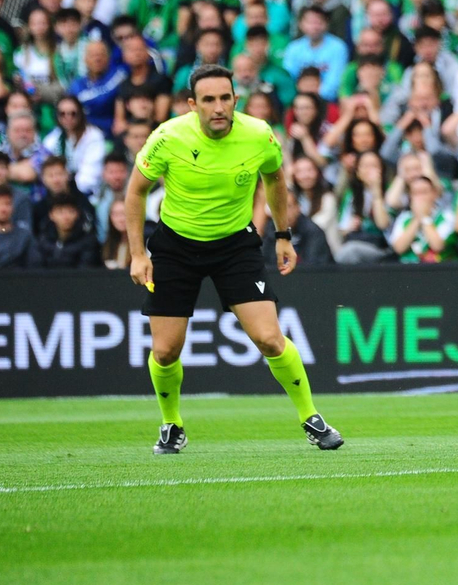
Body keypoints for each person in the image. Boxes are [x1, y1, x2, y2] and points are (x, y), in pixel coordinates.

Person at [126, 64, 342, 455]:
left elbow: (275, 179)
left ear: (235, 99)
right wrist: (138, 254)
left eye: (225, 98)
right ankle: (171, 424)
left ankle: (311, 417)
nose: (218, 107)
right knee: (165, 351)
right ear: (193, 104)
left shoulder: (258, 134)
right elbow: (136, 191)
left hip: (234, 246)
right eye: (208, 100)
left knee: (270, 339)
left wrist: (281, 236)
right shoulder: (168, 136)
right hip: (175, 246)